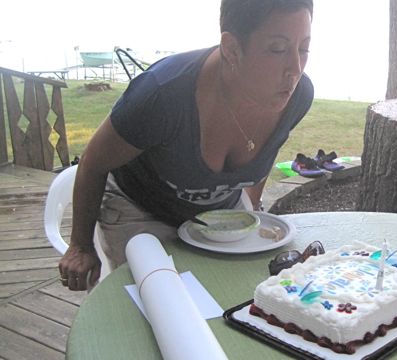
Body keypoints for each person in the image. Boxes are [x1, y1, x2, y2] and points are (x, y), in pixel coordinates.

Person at [59, 0, 314, 291]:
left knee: (235, 294)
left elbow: (262, 159)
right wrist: (80, 246)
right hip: (141, 209)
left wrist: (250, 213)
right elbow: (94, 161)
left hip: (219, 214)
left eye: (303, 48)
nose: (295, 68)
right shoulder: (162, 94)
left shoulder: (298, 96)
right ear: (231, 49)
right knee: (160, 306)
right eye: (277, 49)